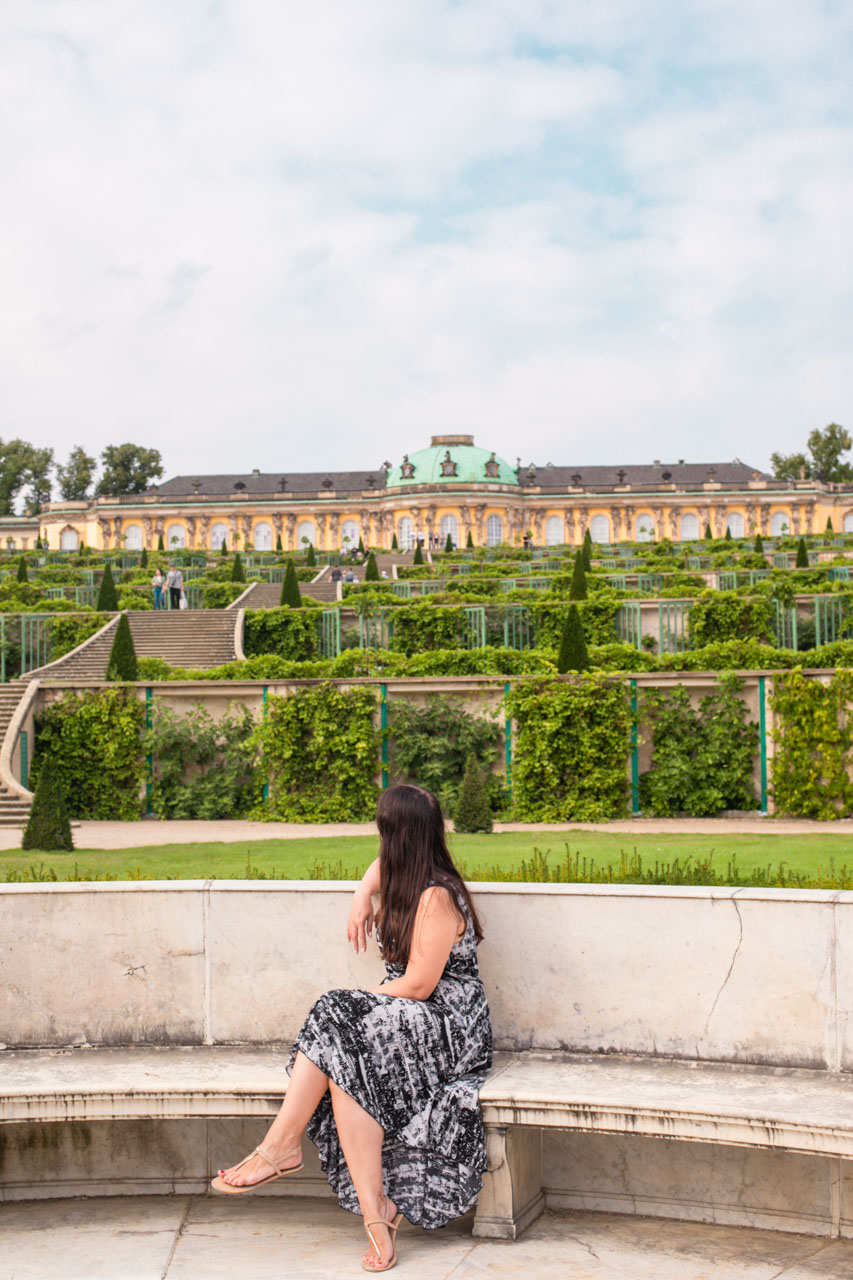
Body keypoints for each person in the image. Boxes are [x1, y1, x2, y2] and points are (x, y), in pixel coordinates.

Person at [212, 784, 492, 1273]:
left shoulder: (437, 897)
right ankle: (374, 1213)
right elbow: (379, 869)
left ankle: (279, 1147)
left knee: (337, 1016)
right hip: (409, 1014)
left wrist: (358, 1002)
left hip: (450, 1027)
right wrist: (363, 892)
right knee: (345, 1054)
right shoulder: (405, 874)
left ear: (395, 835)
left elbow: (422, 985)